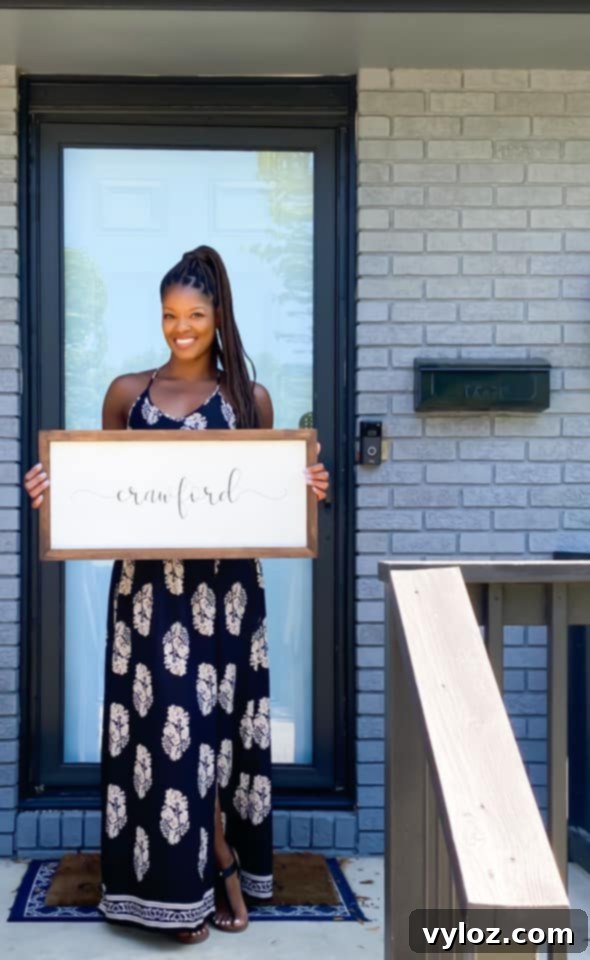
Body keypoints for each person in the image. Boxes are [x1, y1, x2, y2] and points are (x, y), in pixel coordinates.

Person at [23, 244, 330, 945]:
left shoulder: (248, 399)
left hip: (226, 595)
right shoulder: (127, 394)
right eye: (169, 315)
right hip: (146, 597)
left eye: (194, 314)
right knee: (163, 735)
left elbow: (270, 491)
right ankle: (181, 879)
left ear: (217, 316)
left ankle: (220, 858)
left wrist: (307, 487)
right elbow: (98, 490)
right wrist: (53, 490)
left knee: (216, 733)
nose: (180, 328)